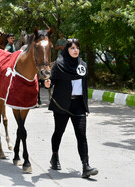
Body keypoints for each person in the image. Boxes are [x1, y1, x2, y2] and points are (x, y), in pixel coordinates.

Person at [44, 38, 98, 178]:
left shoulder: (82, 65)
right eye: (72, 48)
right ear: (67, 50)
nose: (75, 50)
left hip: (78, 105)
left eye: (77, 48)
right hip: (62, 104)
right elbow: (52, 82)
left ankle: (86, 166)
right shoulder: (59, 65)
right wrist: (48, 83)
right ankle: (54, 156)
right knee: (58, 132)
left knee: (81, 136)